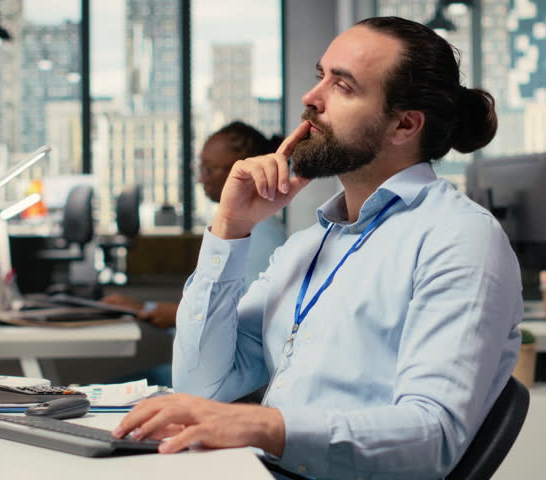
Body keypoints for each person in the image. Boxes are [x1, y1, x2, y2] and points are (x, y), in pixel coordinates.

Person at [112, 16, 523, 479]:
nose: (312, 98)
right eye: (320, 76)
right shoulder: (308, 244)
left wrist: (263, 426)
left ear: (403, 125)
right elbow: (202, 386)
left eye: (343, 86)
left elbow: (433, 437)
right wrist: (230, 228)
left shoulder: (458, 237)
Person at [102, 122, 288, 329]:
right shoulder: (240, 229)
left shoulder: (260, 234)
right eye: (201, 168)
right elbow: (213, 304)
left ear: (245, 169)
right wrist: (148, 307)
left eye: (209, 169)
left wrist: (161, 311)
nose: (201, 178)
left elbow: (245, 316)